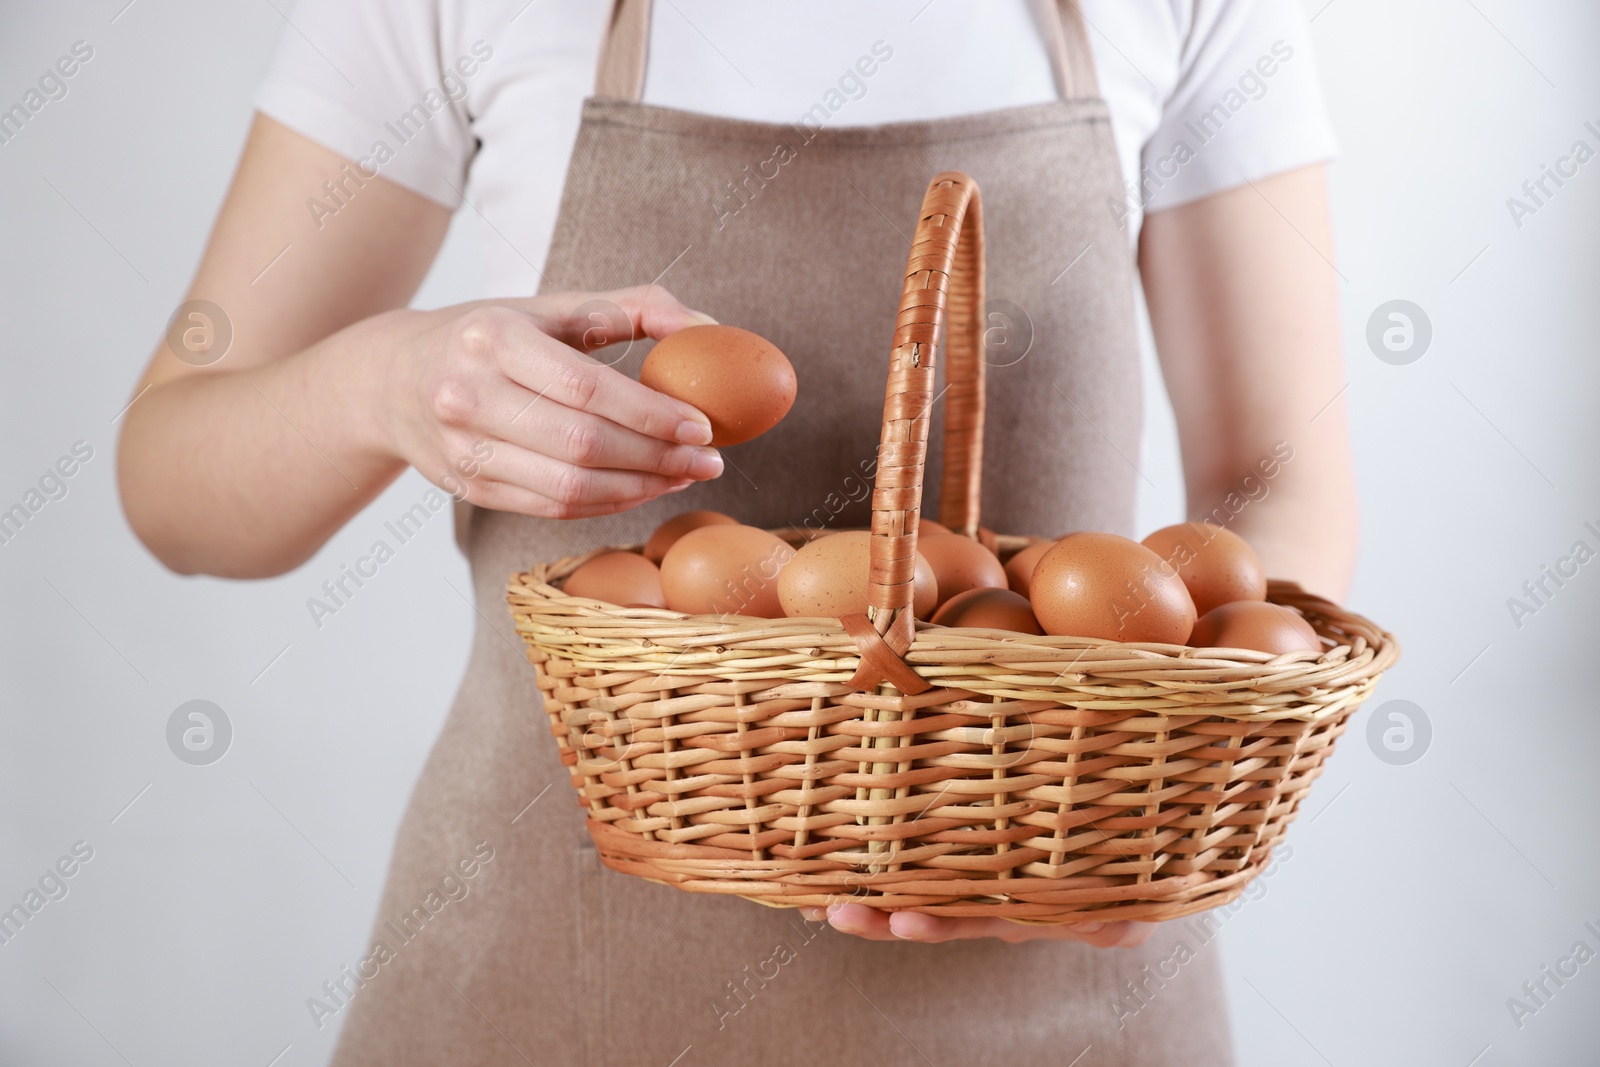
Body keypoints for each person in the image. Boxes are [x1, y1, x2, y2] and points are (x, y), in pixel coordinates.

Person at [118, 1, 1355, 1062]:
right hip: (550, 974)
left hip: (1058, 959)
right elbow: (170, 483)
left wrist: (1173, 803)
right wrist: (380, 383)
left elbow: (1273, 481)